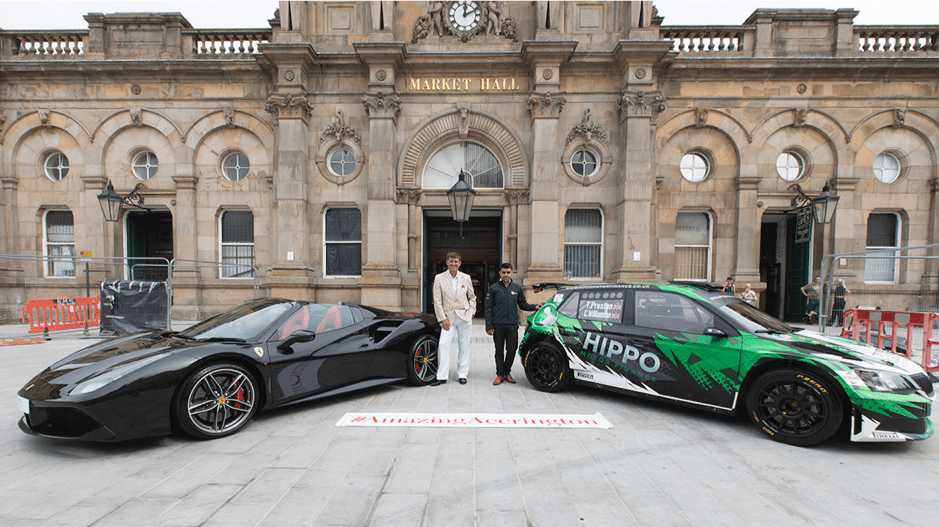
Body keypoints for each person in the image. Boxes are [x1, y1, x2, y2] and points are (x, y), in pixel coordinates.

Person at [484, 263, 542, 386]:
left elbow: (523, 304)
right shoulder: (493, 288)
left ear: (511, 273)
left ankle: (507, 372)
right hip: (498, 325)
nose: (506, 275)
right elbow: (488, 308)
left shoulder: (516, 288)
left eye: (508, 272)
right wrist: (489, 326)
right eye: (503, 272)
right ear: (500, 273)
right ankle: (500, 374)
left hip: (511, 325)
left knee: (511, 349)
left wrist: (535, 306)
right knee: (499, 351)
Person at [432, 252, 476, 386]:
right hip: (448, 319)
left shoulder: (466, 278)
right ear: (447, 263)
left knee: (464, 347)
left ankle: (462, 374)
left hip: (464, 317)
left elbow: (472, 297)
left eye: (456, 261)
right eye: (451, 261)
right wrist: (442, 319)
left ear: (460, 263)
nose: (453, 264)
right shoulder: (439, 278)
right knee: (443, 345)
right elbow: (437, 301)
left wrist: (471, 312)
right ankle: (442, 376)